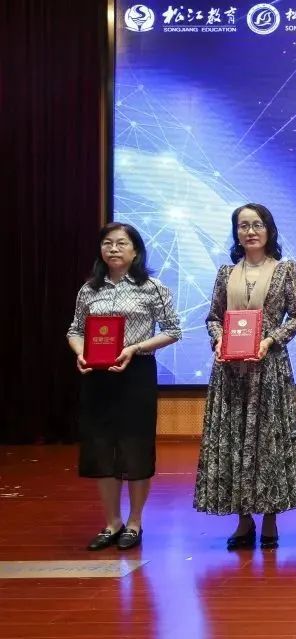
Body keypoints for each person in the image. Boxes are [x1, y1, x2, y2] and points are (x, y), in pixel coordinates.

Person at [193, 203, 296, 549]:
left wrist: (269, 340)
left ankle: (271, 518)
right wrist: (219, 339)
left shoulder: (286, 270)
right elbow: (213, 317)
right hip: (230, 371)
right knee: (234, 441)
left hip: (269, 368)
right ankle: (243, 519)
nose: (250, 231)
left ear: (269, 230)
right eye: (243, 225)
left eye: (257, 224)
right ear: (236, 232)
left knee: (268, 441)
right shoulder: (225, 273)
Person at [67, 223, 182, 551]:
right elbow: (75, 330)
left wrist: (135, 348)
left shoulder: (153, 288)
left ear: (135, 251)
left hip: (136, 373)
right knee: (101, 447)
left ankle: (134, 522)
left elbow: (173, 330)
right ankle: (112, 522)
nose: (113, 249)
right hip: (97, 375)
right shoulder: (89, 289)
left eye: (121, 243)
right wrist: (81, 353)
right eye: (107, 243)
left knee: (135, 446)